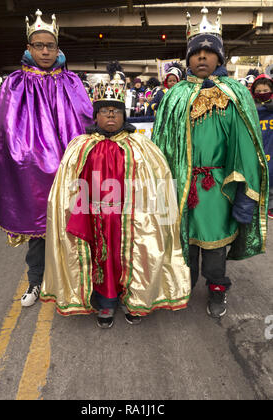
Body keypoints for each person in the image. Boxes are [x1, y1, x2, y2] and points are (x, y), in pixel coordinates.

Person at [40, 64, 191, 328]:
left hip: (132, 218)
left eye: (116, 112)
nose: (111, 116)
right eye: (105, 111)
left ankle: (136, 300)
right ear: (95, 116)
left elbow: (158, 184)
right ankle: (106, 303)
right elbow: (67, 188)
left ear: (124, 115)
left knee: (137, 255)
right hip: (94, 216)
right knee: (103, 259)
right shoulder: (80, 146)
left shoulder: (142, 146)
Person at [152, 7, 269, 318]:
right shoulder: (174, 96)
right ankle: (183, 286)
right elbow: (160, 145)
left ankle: (217, 288)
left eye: (209, 52)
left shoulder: (235, 95)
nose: (202, 58)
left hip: (218, 187)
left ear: (220, 58)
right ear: (188, 58)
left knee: (215, 248)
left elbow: (245, 147)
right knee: (184, 243)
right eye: (196, 52)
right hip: (182, 185)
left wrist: (244, 194)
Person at [0, 9, 93, 306]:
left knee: (74, 225)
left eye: (50, 45)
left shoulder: (72, 81)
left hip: (69, 165)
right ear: (29, 48)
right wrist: (28, 160)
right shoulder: (14, 83)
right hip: (32, 168)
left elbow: (86, 120)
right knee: (38, 228)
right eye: (39, 45)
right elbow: (8, 130)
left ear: (58, 48)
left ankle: (75, 280)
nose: (46, 51)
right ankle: (36, 281)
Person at [250, 74, 273, 219]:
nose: (262, 93)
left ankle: (271, 206)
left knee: (271, 177)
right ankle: (255, 204)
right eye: (259, 91)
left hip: (271, 148)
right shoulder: (250, 109)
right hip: (256, 148)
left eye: (266, 90)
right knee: (255, 176)